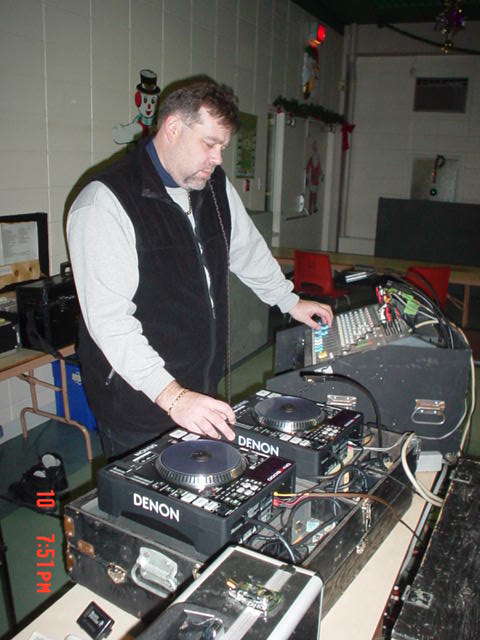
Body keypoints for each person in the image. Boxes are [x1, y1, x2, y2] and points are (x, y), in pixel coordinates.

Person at [67, 76, 333, 459]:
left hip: (198, 385)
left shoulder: (212, 185)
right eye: (209, 144)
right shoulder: (105, 202)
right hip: (138, 398)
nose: (218, 158)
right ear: (173, 128)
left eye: (223, 147)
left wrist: (289, 301)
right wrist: (173, 396)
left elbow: (245, 249)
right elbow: (109, 322)